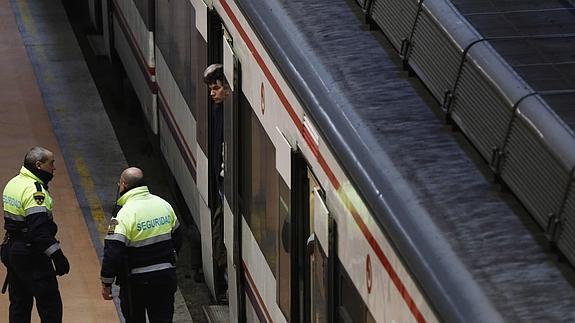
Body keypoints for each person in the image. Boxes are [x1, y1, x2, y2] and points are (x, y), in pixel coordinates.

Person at [100, 167, 182, 323]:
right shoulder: (163, 205)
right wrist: (168, 259)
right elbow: (178, 237)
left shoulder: (124, 214)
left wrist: (106, 282)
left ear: (123, 184)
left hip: (135, 283)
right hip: (165, 278)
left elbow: (113, 253)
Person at [1, 146, 70, 323]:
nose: (54, 168)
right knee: (50, 305)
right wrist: (57, 256)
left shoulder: (14, 182)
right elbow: (39, 231)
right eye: (51, 163)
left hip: (12, 250)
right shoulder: (34, 191)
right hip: (31, 255)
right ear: (39, 165)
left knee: (19, 304)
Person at [203, 64, 229, 302]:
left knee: (220, 231)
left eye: (217, 88)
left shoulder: (227, 114)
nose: (213, 93)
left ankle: (225, 280)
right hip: (221, 187)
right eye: (211, 89)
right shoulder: (218, 110)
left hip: (224, 187)